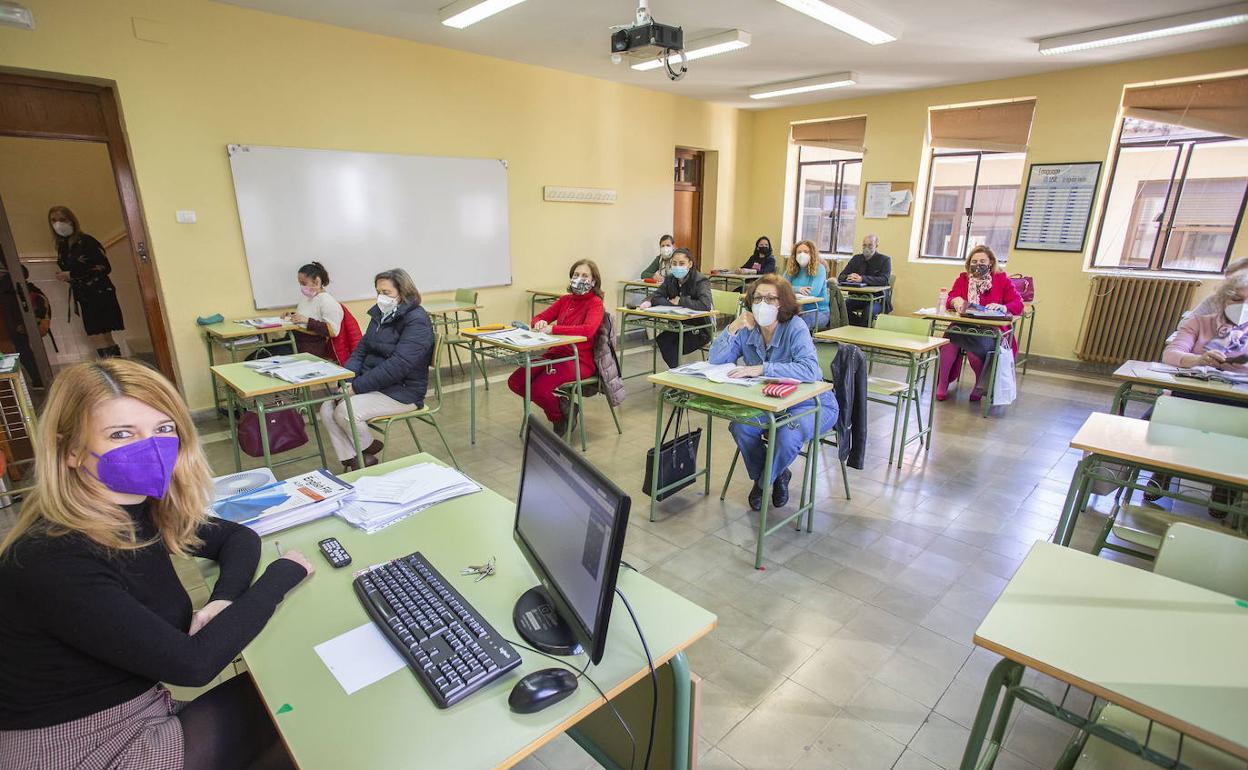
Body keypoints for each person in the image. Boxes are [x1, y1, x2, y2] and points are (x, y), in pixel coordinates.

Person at [0, 359, 312, 770]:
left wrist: (222, 600)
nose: (150, 447)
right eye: (121, 434)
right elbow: (194, 664)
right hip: (74, 747)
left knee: (290, 704)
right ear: (70, 451)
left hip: (137, 708)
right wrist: (281, 576)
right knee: (298, 698)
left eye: (163, 429)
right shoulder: (52, 556)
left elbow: (237, 538)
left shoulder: (137, 507)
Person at [708, 275, 838, 512]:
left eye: (770, 299)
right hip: (768, 402)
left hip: (810, 402)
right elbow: (715, 360)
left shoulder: (795, 327)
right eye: (757, 298)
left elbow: (810, 370)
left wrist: (762, 369)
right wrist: (733, 327)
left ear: (783, 303)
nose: (762, 304)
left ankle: (761, 483)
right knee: (740, 427)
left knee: (787, 436)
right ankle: (779, 474)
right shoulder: (749, 327)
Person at [321, 268, 433, 472]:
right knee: (327, 409)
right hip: (375, 385)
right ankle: (359, 457)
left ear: (403, 292)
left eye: (386, 292)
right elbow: (360, 351)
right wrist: (348, 379)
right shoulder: (380, 314)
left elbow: (398, 365)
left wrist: (357, 387)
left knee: (345, 412)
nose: (381, 297)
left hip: (403, 391)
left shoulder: (417, 320)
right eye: (378, 292)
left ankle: (363, 451)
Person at [508, 260, 605, 436]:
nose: (579, 279)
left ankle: (557, 417)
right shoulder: (565, 300)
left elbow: (588, 330)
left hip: (579, 360)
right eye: (576, 275)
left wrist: (553, 329)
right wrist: (540, 323)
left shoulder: (595, 303)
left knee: (538, 389)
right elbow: (537, 318)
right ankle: (565, 407)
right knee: (516, 381)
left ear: (593, 281)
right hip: (555, 354)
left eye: (585, 276)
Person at [934, 245, 1023, 402]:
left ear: (990, 262)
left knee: (974, 351)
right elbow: (950, 299)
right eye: (974, 262)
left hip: (990, 329)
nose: (978, 265)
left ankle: (979, 385)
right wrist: (955, 301)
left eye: (982, 261)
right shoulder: (963, 279)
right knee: (948, 343)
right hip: (964, 325)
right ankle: (942, 383)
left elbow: (1018, 304)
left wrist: (1003, 307)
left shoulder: (1001, 279)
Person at [49, 206, 125, 358]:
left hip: (99, 291)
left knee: (98, 335)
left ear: (71, 220)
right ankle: (115, 366)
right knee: (101, 334)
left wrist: (71, 274)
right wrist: (66, 276)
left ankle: (112, 367)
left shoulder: (86, 241)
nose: (58, 224)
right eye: (53, 220)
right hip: (84, 294)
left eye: (62, 219)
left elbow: (104, 267)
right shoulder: (63, 246)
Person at [639, 248, 713, 368]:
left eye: (682, 263)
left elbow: (705, 305)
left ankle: (677, 373)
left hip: (699, 329)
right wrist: (673, 304)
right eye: (674, 263)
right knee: (662, 340)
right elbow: (656, 297)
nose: (677, 267)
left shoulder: (700, 280)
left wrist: (680, 301)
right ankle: (677, 372)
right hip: (678, 326)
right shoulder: (670, 279)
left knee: (672, 346)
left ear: (690, 264)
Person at [281, 261, 360, 365]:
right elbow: (304, 316)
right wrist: (291, 316)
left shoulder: (327, 302)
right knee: (266, 352)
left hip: (310, 347)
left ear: (317, 281)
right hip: (295, 340)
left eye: (304, 283)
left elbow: (332, 331)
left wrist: (307, 321)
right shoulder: (306, 298)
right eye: (300, 283)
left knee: (271, 355)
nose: (301, 287)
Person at [837, 234, 892, 326]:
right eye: (864, 245)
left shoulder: (884, 260)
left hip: (877, 299)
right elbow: (841, 276)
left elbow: (884, 280)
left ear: (876, 246)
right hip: (857, 297)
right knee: (841, 308)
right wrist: (849, 277)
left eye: (870, 245)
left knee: (868, 312)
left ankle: (861, 329)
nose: (866, 248)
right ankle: (859, 326)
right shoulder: (856, 259)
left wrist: (862, 279)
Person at [783, 240, 830, 331]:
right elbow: (781, 287)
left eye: (806, 252)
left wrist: (791, 289)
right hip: (797, 310)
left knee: (798, 324)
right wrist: (798, 289)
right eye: (799, 252)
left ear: (812, 254)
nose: (802, 254)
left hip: (818, 311)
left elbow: (813, 292)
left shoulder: (820, 269)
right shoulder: (792, 269)